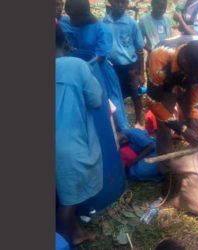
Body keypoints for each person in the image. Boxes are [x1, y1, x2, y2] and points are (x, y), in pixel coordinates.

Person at [56, 26, 103, 245]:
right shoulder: (76, 66)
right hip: (66, 144)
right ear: (65, 43)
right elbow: (95, 100)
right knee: (69, 200)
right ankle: (72, 236)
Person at [145, 35, 198, 155]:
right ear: (184, 63)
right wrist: (182, 129)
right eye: (196, 77)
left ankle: (195, 159)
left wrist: (193, 117)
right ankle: (166, 166)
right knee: (164, 125)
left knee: (193, 123)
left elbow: (197, 91)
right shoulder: (159, 60)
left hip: (187, 78)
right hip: (165, 85)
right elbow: (153, 102)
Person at [65, 0, 130, 129]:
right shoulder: (78, 27)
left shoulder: (102, 30)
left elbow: (99, 57)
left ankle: (121, 134)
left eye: (73, 18)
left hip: (100, 74)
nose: (70, 21)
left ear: (84, 15)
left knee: (110, 105)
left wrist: (81, 64)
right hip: (84, 73)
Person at [104, 0, 146, 127]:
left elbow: (140, 50)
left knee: (136, 95)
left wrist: (141, 73)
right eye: (118, 2)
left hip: (130, 68)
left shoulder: (131, 23)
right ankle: (120, 124)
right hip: (112, 67)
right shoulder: (104, 23)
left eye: (124, 2)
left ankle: (140, 121)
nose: (121, 5)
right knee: (116, 95)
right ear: (111, 2)